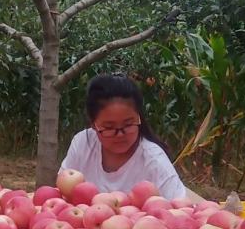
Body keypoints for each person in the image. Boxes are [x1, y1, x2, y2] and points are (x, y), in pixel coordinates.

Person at [59, 72, 196, 200]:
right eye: (109, 127)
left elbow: (180, 208)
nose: (120, 135)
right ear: (93, 124)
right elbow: (61, 193)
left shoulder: (154, 160)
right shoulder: (83, 144)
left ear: (139, 118)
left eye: (128, 124)